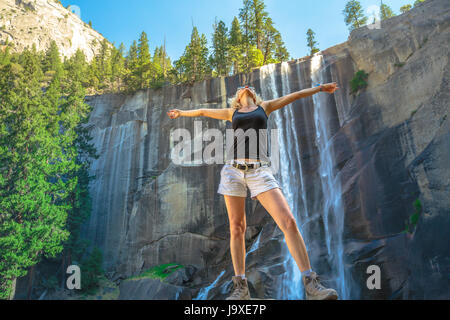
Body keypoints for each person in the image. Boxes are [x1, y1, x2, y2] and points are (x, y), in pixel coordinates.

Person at [167, 82, 340, 300]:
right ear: (237, 98)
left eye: (246, 87)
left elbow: (294, 95)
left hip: (260, 171)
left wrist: (319, 88)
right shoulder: (232, 112)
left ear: (252, 94)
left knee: (288, 222)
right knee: (237, 227)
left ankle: (311, 284)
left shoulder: (264, 107)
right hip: (233, 171)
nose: (243, 87)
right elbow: (202, 110)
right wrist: (181, 112)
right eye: (238, 88)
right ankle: (241, 288)